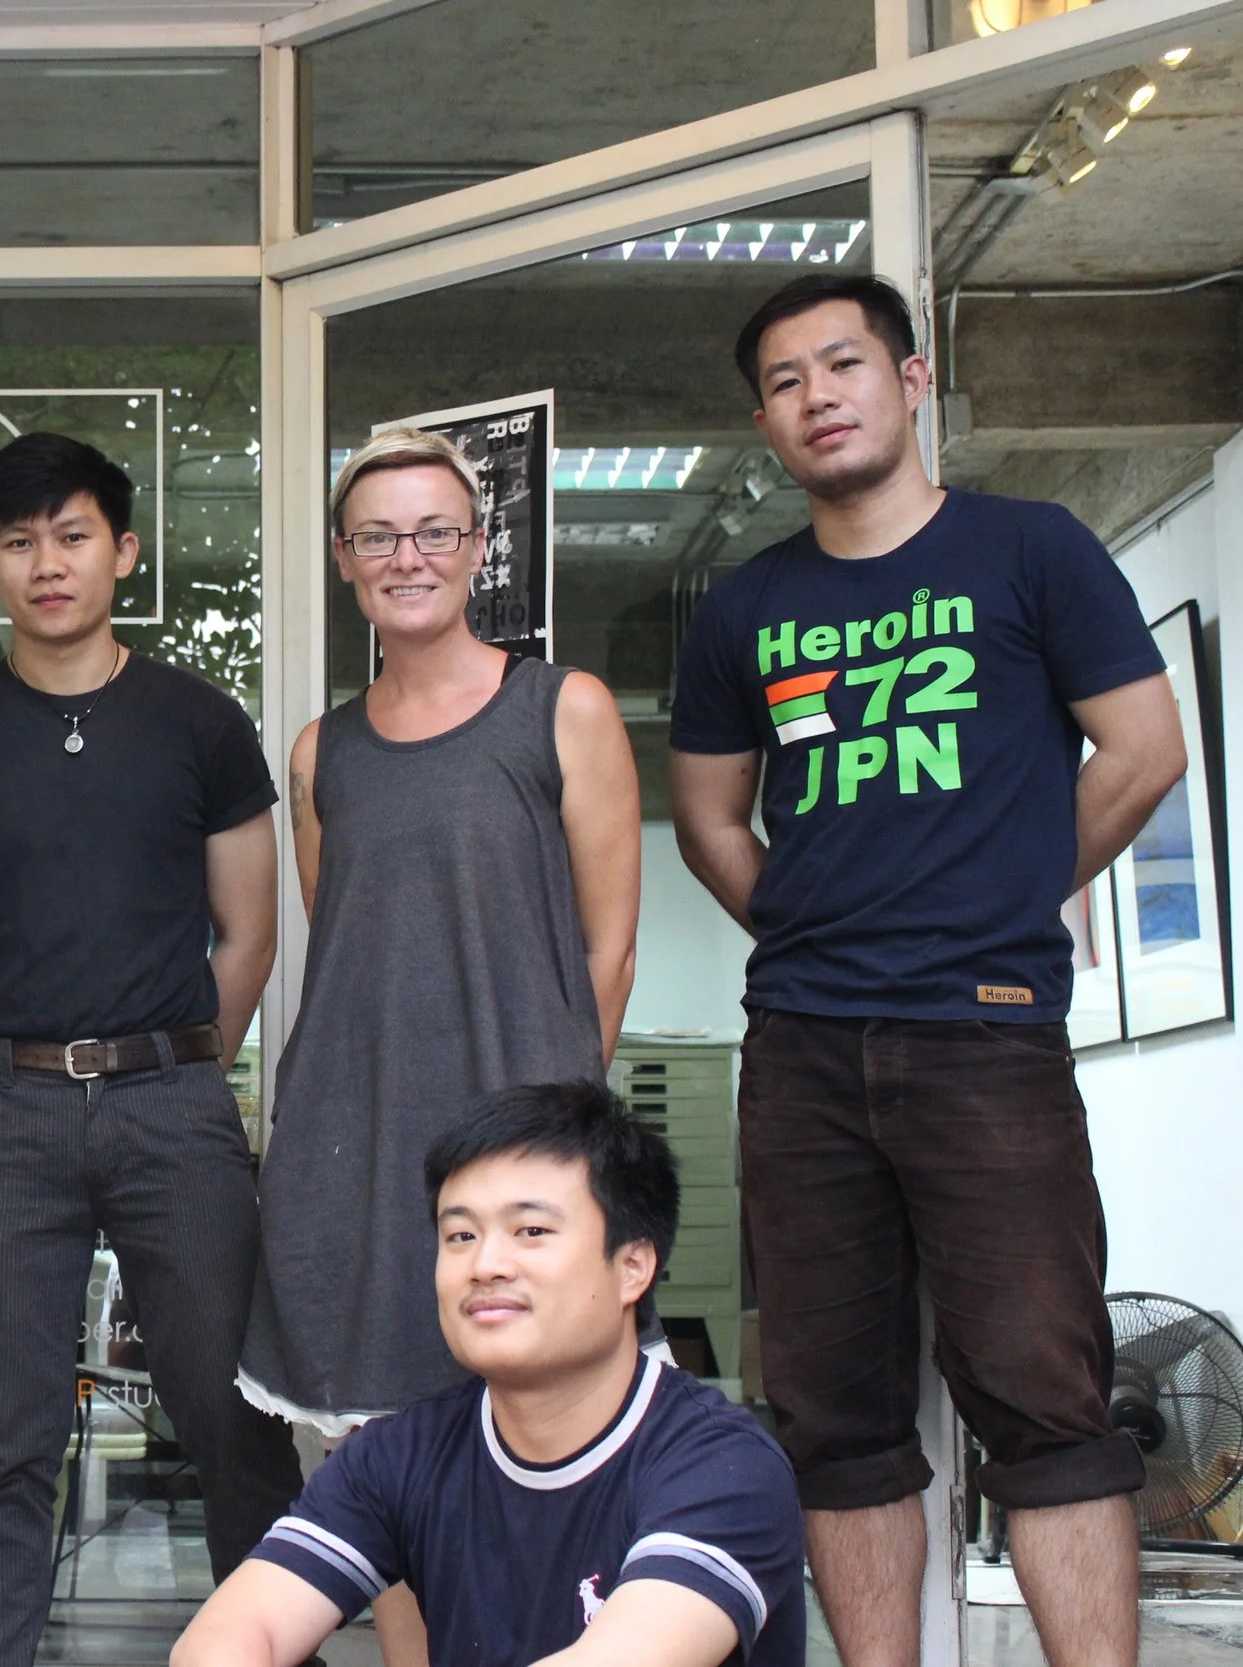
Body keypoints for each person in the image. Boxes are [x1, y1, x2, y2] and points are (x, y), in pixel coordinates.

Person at [669, 271, 1188, 1667]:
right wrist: (809, 928)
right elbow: (711, 818)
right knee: (831, 1415)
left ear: (907, 380)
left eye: (842, 364)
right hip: (801, 1048)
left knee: (1045, 1400)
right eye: (784, 382)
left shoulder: (1031, 548)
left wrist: (1002, 899)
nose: (816, 396)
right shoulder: (744, 605)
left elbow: (1145, 749)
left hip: (986, 1031)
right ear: (766, 425)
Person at [0, 431, 303, 1667]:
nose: (47, 563)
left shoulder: (197, 721)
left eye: (71, 535)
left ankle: (272, 1649)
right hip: (7, 1111)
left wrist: (181, 1064)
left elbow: (248, 928)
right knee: (5, 1435)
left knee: (232, 1417)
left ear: (121, 551)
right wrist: (42, 1019)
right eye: (18, 542)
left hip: (172, 1105)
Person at [238, 426, 642, 1663]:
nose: (405, 556)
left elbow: (608, 949)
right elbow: (354, 955)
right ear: (344, 560)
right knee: (387, 1459)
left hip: (517, 1142)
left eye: (432, 531)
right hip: (355, 1150)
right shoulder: (322, 752)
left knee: (544, 1438)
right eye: (376, 535)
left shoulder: (562, 708)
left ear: (475, 548)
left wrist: (551, 1135)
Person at [174, 1081, 804, 1667]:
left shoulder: (723, 1467)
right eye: (460, 1236)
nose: (485, 1264)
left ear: (632, 1268)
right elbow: (234, 1633)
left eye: (531, 1230)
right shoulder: (401, 1455)